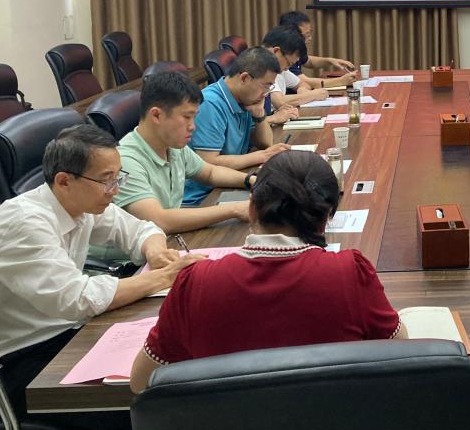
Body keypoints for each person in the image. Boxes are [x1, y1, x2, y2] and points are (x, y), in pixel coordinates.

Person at [0, 125, 201, 414]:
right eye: (106, 181)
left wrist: (156, 252)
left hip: (56, 333)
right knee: (143, 404)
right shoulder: (24, 223)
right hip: (5, 365)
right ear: (64, 181)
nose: (115, 190)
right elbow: (78, 299)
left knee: (164, 365)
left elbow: (142, 230)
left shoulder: (80, 203)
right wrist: (164, 276)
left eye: (118, 177)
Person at [130, 150, 405, 392]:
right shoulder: (350, 273)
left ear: (252, 208)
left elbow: (142, 381)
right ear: (326, 219)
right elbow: (400, 351)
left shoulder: (195, 283)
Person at [112, 71, 254, 233]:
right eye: (187, 117)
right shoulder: (124, 162)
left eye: (194, 117)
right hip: (141, 247)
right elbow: (159, 220)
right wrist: (234, 209)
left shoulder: (172, 145)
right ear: (156, 115)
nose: (193, 126)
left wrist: (251, 180)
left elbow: (210, 173)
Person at [182, 47, 291, 206]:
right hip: (203, 197)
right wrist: (261, 156)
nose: (266, 93)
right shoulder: (210, 104)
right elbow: (208, 162)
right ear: (245, 78)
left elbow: (265, 143)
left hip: (230, 181)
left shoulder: (244, 99)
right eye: (266, 86)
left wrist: (259, 114)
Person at [277, 10, 358, 90]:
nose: (310, 38)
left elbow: (308, 61)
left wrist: (330, 61)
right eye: (306, 34)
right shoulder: (285, 56)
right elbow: (305, 81)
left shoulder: (296, 49)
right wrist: (341, 81)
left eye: (310, 33)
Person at [261, 25, 328, 113]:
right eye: (289, 63)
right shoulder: (262, 67)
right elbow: (279, 102)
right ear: (276, 51)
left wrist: (302, 90)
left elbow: (302, 83)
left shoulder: (280, 68)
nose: (287, 69)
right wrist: (313, 95)